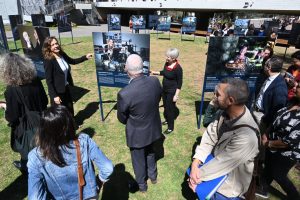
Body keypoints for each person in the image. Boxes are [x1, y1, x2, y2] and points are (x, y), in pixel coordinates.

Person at [189, 78, 259, 199]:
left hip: (227, 189)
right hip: (210, 174)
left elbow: (223, 162)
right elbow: (210, 137)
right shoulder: (223, 113)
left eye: (218, 94)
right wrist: (196, 162)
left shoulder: (247, 136)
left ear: (230, 100)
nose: (214, 96)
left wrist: (196, 176)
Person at [27, 105, 114, 199]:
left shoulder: (36, 156)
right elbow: (107, 168)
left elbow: (35, 197)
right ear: (69, 125)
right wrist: (98, 182)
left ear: (43, 130)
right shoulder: (84, 141)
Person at [117, 54, 162, 192]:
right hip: (153, 128)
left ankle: (142, 185)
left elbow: (122, 118)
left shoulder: (125, 93)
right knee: (150, 152)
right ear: (142, 67)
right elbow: (158, 98)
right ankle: (153, 176)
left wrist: (134, 120)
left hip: (137, 133)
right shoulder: (155, 81)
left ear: (127, 70)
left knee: (138, 160)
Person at [0, 53, 48, 173]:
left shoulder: (11, 90)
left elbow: (13, 117)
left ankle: (27, 169)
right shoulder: (36, 80)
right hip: (42, 120)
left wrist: (5, 107)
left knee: (29, 152)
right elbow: (44, 100)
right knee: (44, 148)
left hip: (27, 127)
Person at [255, 83, 300, 200]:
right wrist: (266, 134)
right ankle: (263, 188)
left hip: (289, 152)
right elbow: (277, 118)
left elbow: (289, 142)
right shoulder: (292, 102)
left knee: (278, 174)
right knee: (269, 167)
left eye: (298, 86)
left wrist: (268, 143)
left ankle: (294, 196)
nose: (294, 87)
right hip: (272, 144)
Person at [42, 36, 93, 116]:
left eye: (56, 43)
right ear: (48, 48)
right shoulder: (48, 61)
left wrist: (85, 57)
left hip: (66, 87)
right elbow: (49, 81)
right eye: (53, 45)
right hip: (57, 91)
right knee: (60, 113)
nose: (56, 46)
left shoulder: (61, 54)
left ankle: (72, 125)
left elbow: (73, 61)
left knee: (69, 108)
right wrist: (54, 96)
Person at [152, 48, 183, 134]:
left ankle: (170, 127)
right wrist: (154, 72)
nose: (166, 58)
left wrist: (176, 95)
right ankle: (167, 120)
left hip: (171, 92)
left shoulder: (178, 68)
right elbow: (164, 72)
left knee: (170, 109)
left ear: (173, 58)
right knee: (166, 106)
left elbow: (180, 83)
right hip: (164, 90)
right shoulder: (166, 63)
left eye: (168, 57)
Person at [253, 56, 287, 133]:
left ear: (269, 67)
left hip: (262, 118)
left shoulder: (280, 87)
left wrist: (265, 120)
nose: (263, 66)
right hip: (256, 111)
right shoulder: (269, 77)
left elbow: (278, 109)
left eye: (265, 65)